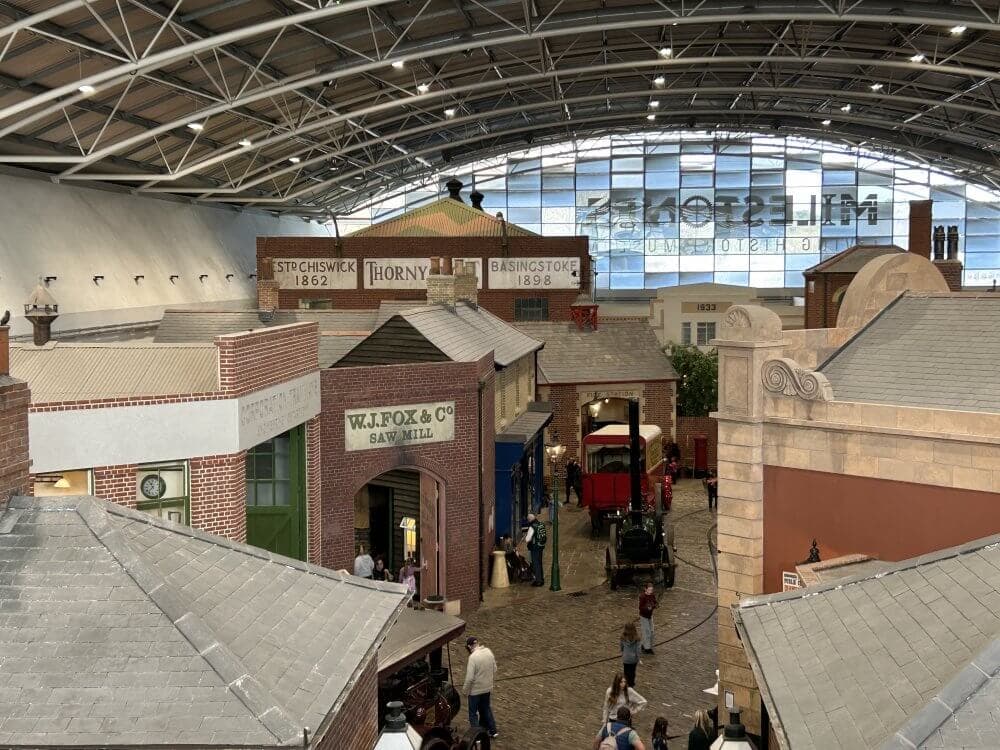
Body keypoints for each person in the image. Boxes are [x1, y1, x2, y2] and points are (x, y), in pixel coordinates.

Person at [462, 636, 499, 739]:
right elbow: (494, 668)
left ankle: (476, 737)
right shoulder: (488, 651)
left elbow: (469, 678)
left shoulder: (473, 657)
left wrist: (465, 690)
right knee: (486, 709)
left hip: (475, 691)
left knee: (473, 714)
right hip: (487, 688)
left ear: (469, 646)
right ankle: (493, 730)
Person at [524, 512, 546, 586]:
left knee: (535, 563)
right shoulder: (541, 524)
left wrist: (526, 536)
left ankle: (538, 581)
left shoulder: (532, 527)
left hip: (535, 547)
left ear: (529, 519)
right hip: (541, 546)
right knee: (539, 563)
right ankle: (541, 578)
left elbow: (527, 539)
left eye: (528, 519)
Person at [639, 582, 658, 654]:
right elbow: (640, 607)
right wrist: (647, 608)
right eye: (649, 590)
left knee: (652, 631)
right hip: (644, 616)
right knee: (646, 632)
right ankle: (647, 649)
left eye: (651, 590)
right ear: (645, 589)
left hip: (650, 616)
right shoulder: (642, 596)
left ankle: (645, 645)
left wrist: (655, 605)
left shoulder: (652, 595)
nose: (650, 591)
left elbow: (655, 602)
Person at [620, 621, 641, 687]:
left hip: (625, 658)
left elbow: (621, 646)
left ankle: (626, 683)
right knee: (632, 672)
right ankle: (631, 684)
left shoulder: (623, 637)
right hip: (633, 659)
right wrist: (638, 658)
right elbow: (638, 650)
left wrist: (623, 652)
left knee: (626, 671)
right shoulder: (637, 639)